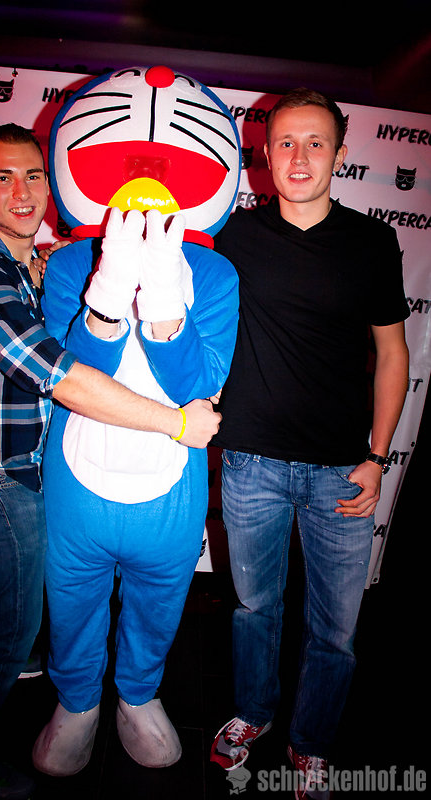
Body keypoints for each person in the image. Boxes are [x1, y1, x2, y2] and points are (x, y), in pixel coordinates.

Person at [0, 123, 221, 800]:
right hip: (1, 475)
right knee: (9, 628)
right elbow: (62, 376)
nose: (22, 191)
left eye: (32, 175)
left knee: (36, 617)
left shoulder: (39, 263)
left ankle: (126, 694)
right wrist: (178, 423)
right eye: (2, 177)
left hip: (42, 471)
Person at [209, 89, 410, 799]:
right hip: (250, 463)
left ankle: (312, 742)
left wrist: (378, 458)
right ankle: (253, 713)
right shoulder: (231, 236)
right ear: (264, 156)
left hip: (341, 473)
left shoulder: (372, 242)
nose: (299, 157)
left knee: (335, 630)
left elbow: (392, 354)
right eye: (285, 143)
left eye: (315, 142)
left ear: (340, 155)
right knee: (253, 610)